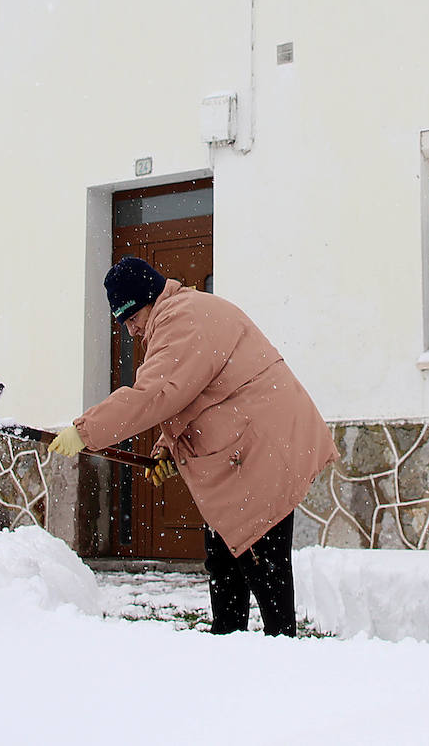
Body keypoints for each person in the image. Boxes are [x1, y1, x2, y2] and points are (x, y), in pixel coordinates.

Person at [48, 257, 338, 636]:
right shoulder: (184, 313)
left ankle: (281, 648)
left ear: (150, 299)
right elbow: (193, 392)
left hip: (262, 449)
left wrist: (85, 431)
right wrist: (168, 447)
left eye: (132, 317)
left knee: (260, 560)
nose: (133, 331)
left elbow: (155, 394)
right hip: (250, 449)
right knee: (225, 555)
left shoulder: (182, 319)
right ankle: (227, 639)